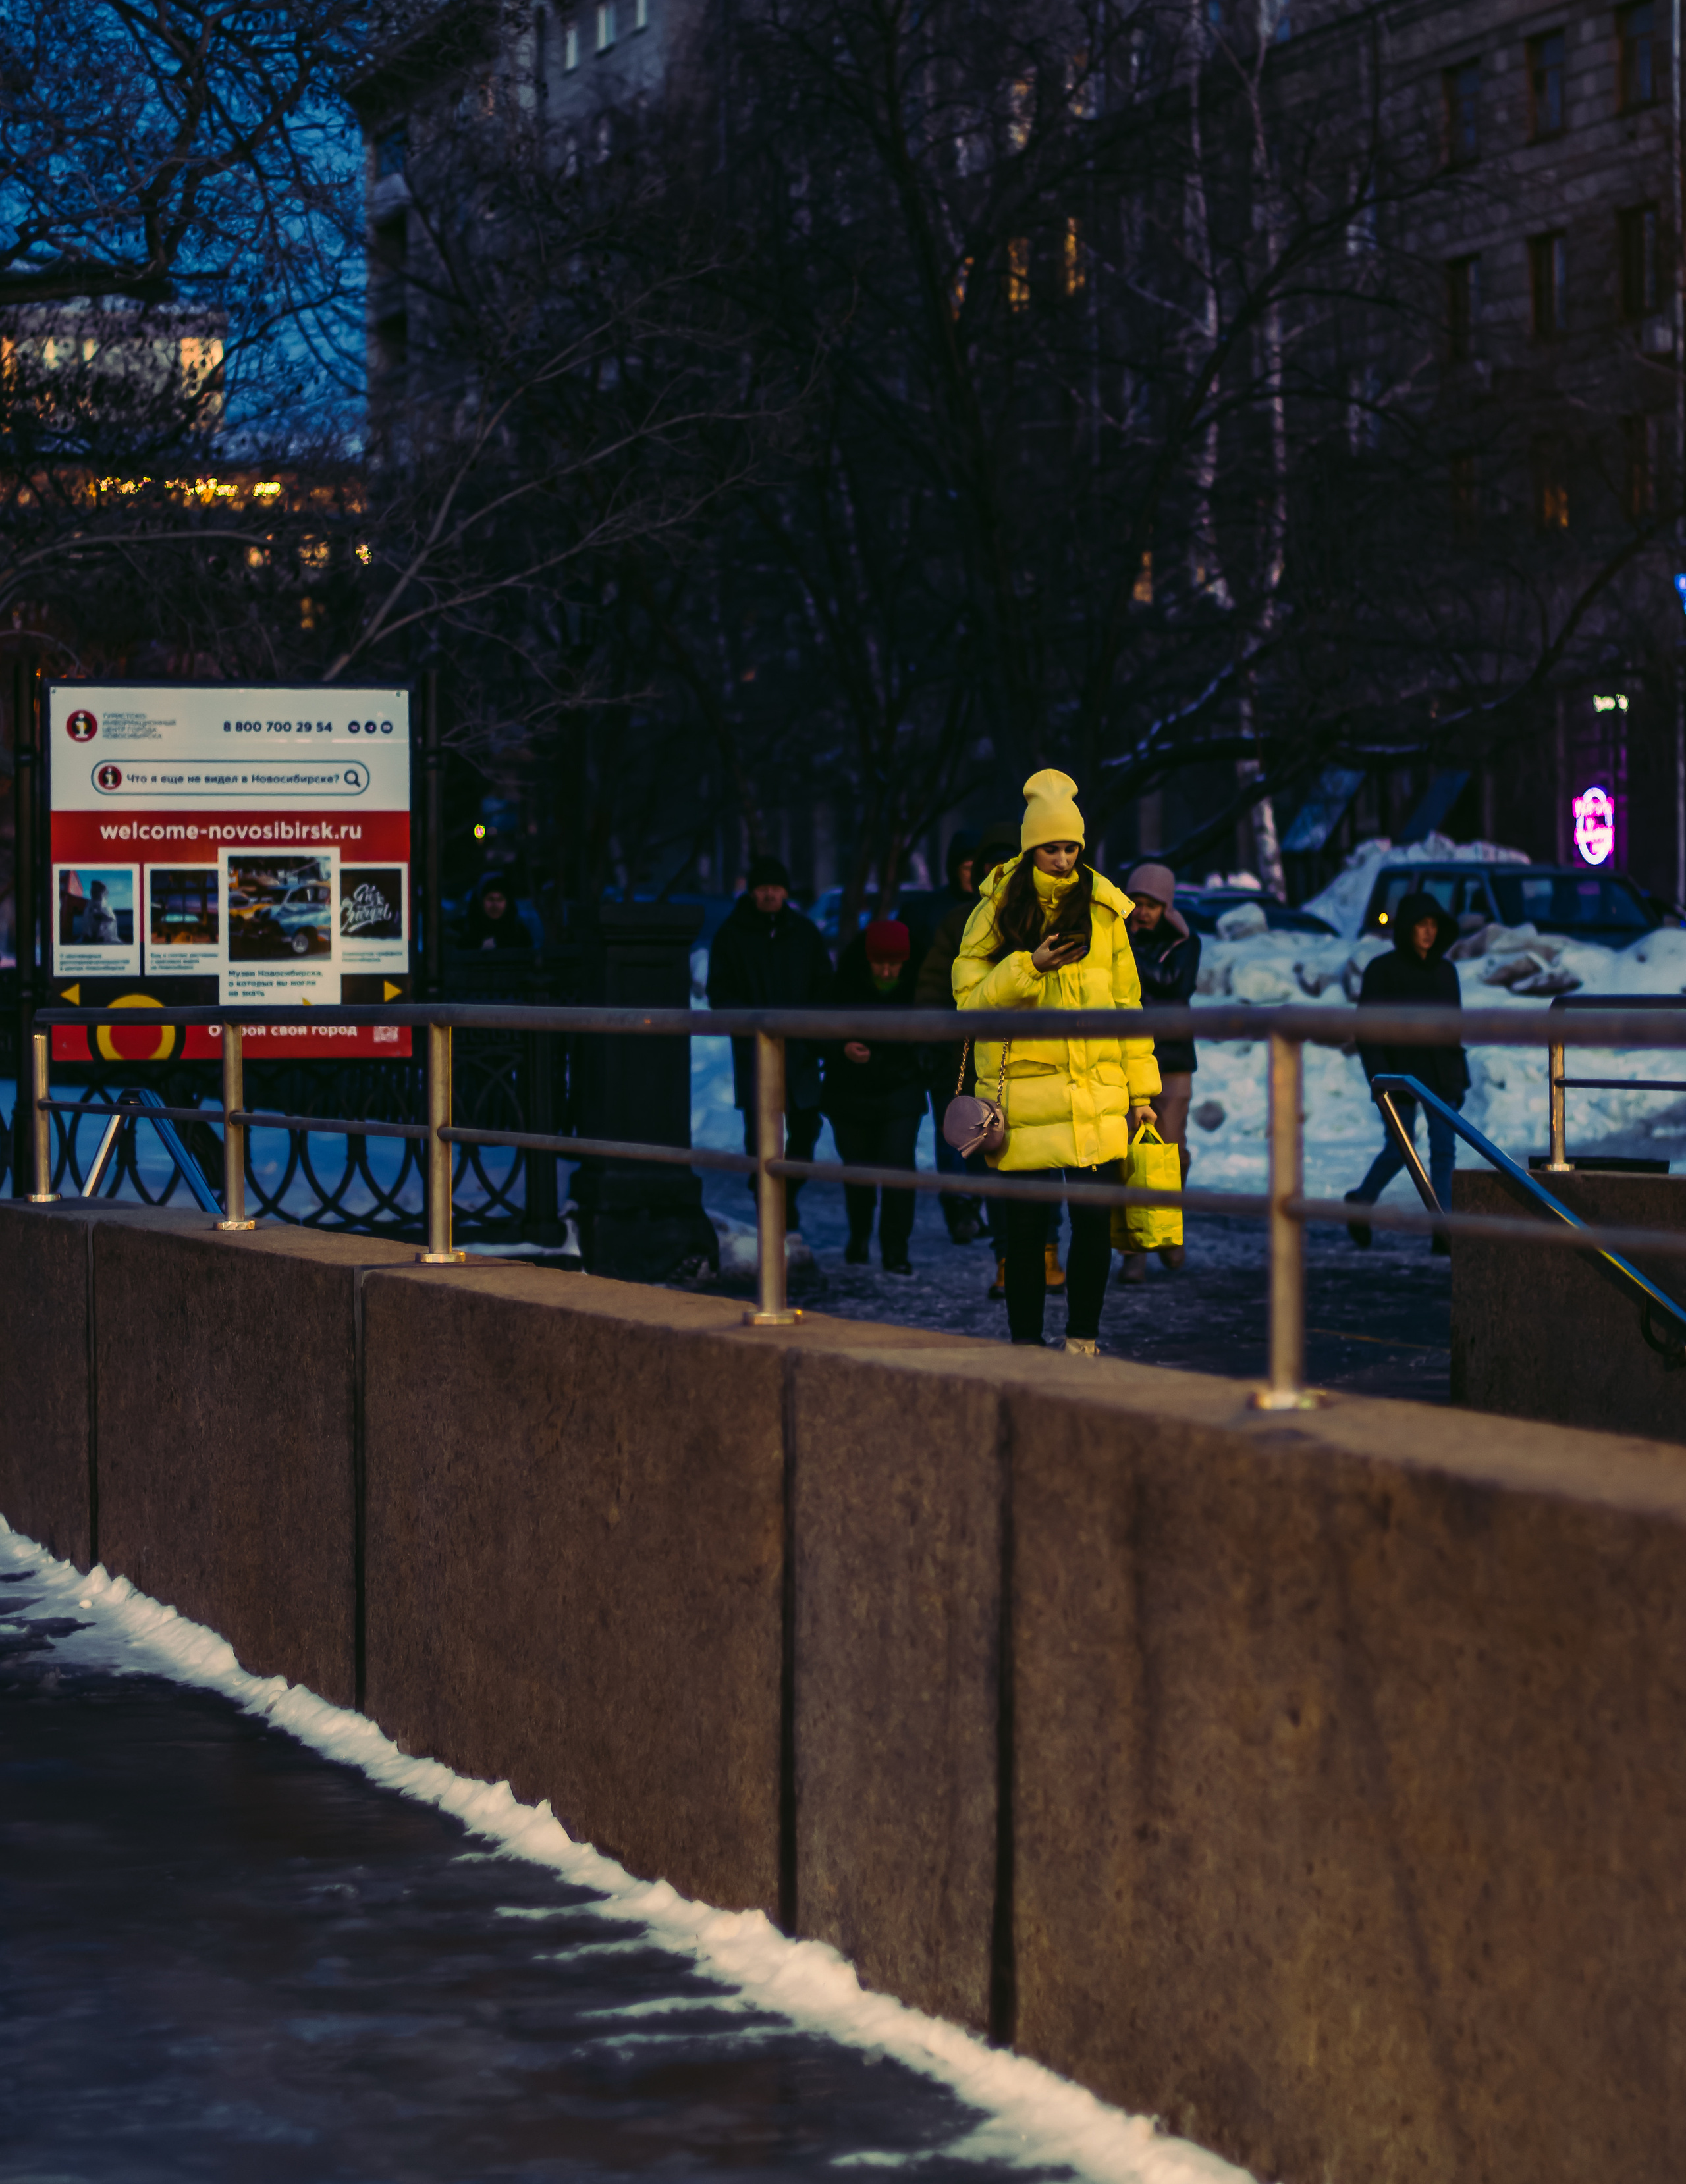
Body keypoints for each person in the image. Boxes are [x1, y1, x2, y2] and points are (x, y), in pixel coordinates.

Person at [954, 769, 1160, 1354]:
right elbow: (967, 1000)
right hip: (1022, 1095)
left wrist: (1142, 1095)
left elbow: (1128, 1007)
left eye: (1072, 847)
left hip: (1095, 1093)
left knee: (1092, 1227)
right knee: (1025, 1233)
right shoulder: (996, 908)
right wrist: (1029, 967)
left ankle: (1083, 1341)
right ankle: (1025, 1344)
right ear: (1030, 848)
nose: (1064, 859)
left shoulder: (1105, 909)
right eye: (1052, 848)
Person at [917, 820, 1062, 1293]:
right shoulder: (962, 920)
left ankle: (1047, 1253)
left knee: (1047, 1166)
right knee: (997, 1170)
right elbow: (935, 992)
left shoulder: (1045, 917)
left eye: (1010, 863)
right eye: (991, 865)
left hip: (1040, 1063)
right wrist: (940, 1052)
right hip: (981, 1069)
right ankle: (1007, 1259)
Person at [707, 855, 833, 1235]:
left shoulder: (804, 932)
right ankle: (770, 1208)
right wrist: (752, 1023)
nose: (770, 895)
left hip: (801, 1052)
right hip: (755, 1053)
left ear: (786, 892)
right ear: (753, 891)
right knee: (761, 1140)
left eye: (776, 889)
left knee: (806, 1131)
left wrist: (816, 1031)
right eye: (764, 888)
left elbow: (823, 986)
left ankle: (784, 1196)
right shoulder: (732, 934)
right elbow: (720, 993)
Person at [1344, 889, 1469, 1254]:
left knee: (1444, 1152)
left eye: (1433, 925)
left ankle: (1442, 1228)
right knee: (1401, 1148)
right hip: (1398, 1076)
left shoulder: (1446, 972)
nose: (1428, 932)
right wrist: (1380, 1078)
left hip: (1440, 1076)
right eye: (1421, 925)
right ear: (1407, 929)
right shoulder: (1383, 971)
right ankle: (1362, 1202)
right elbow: (1368, 1031)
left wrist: (1458, 1077)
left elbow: (1453, 1028)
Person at [823, 919, 924, 1274]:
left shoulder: (918, 985)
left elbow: (927, 1037)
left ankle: (896, 1249)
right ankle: (860, 1237)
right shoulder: (846, 981)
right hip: (850, 1090)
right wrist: (842, 1049)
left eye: (893, 964)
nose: (886, 971)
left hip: (900, 1088)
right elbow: (823, 1026)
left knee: (898, 1169)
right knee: (858, 1169)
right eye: (879, 963)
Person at [1118, 861, 1201, 1281]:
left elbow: (1173, 982)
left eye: (1152, 905)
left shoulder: (1185, 943)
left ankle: (1170, 1231)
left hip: (1171, 1059)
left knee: (1171, 1152)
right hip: (1127, 1058)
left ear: (1166, 906)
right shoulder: (1118, 940)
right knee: (1132, 1154)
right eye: (1138, 902)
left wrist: (1130, 953)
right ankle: (1136, 1249)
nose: (1143, 912)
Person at [462, 875, 532, 949]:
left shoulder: (520, 934)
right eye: (491, 899)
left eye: (500, 900)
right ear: (481, 902)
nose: (495, 905)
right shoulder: (468, 935)